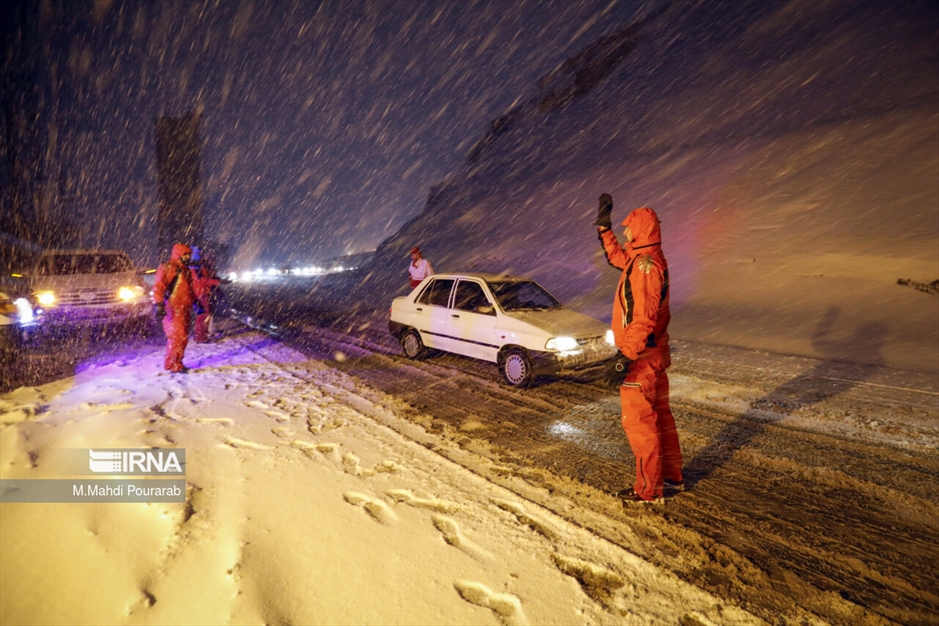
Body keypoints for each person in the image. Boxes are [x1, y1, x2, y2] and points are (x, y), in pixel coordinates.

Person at [595, 193, 683, 503]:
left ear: (640, 229)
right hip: (653, 354)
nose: (624, 233)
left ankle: (648, 491)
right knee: (661, 419)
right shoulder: (644, 257)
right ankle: (671, 477)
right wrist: (603, 229)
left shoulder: (645, 266)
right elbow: (618, 258)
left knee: (641, 425)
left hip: (642, 358)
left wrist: (623, 358)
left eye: (626, 228)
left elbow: (643, 319)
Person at [152, 243, 197, 373]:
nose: (188, 257)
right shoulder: (169, 268)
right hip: (173, 308)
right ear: (178, 254)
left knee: (181, 336)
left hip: (183, 308)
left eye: (189, 254)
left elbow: (187, 290)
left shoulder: (185, 270)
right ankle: (174, 364)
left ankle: (172, 362)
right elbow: (159, 287)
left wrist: (195, 302)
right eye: (185, 254)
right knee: (178, 336)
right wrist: (159, 304)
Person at [191, 253, 224, 343]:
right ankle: (200, 337)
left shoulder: (199, 267)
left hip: (203, 293)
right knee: (203, 316)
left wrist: (218, 281)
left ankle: (202, 335)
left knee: (204, 316)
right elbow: (203, 280)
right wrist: (217, 281)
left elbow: (206, 278)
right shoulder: (196, 268)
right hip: (201, 293)